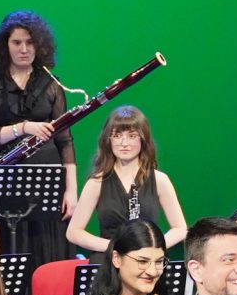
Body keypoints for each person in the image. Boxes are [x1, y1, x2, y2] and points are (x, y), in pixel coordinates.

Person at [0, 9, 78, 271]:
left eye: (30, 43)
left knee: (47, 252)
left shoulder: (52, 83)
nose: (23, 49)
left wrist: (72, 191)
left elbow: (65, 140)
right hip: (4, 179)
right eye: (16, 42)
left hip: (46, 181)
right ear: (4, 45)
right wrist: (23, 128)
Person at [66, 105, 188, 252]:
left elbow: (180, 229)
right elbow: (73, 232)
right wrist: (116, 247)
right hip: (110, 257)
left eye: (132, 136)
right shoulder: (96, 182)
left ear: (143, 139)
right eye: (117, 135)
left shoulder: (160, 180)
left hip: (147, 260)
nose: (124, 143)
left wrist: (152, 248)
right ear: (108, 139)